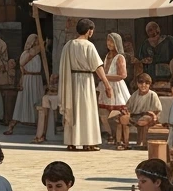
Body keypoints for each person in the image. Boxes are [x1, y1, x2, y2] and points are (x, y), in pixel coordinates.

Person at [59, 19, 113, 152]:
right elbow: (97, 67)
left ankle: (71, 142)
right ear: (89, 30)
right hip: (85, 81)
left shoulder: (69, 45)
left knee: (74, 109)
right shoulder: (88, 46)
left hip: (71, 81)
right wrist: (107, 85)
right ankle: (88, 142)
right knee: (86, 110)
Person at [99, 33, 131, 146]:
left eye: (112, 41)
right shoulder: (107, 55)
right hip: (106, 85)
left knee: (118, 114)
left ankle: (120, 138)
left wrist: (105, 77)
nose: (109, 43)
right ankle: (110, 134)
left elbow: (123, 75)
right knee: (103, 114)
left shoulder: (119, 57)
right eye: (108, 41)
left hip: (116, 87)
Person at [126, 74, 162, 150]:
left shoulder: (153, 94)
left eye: (146, 83)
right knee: (123, 119)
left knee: (143, 121)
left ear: (149, 84)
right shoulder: (135, 94)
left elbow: (157, 109)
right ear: (137, 84)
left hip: (151, 115)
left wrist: (151, 115)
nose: (143, 85)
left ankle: (145, 143)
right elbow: (129, 106)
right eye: (141, 83)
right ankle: (130, 142)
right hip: (136, 115)